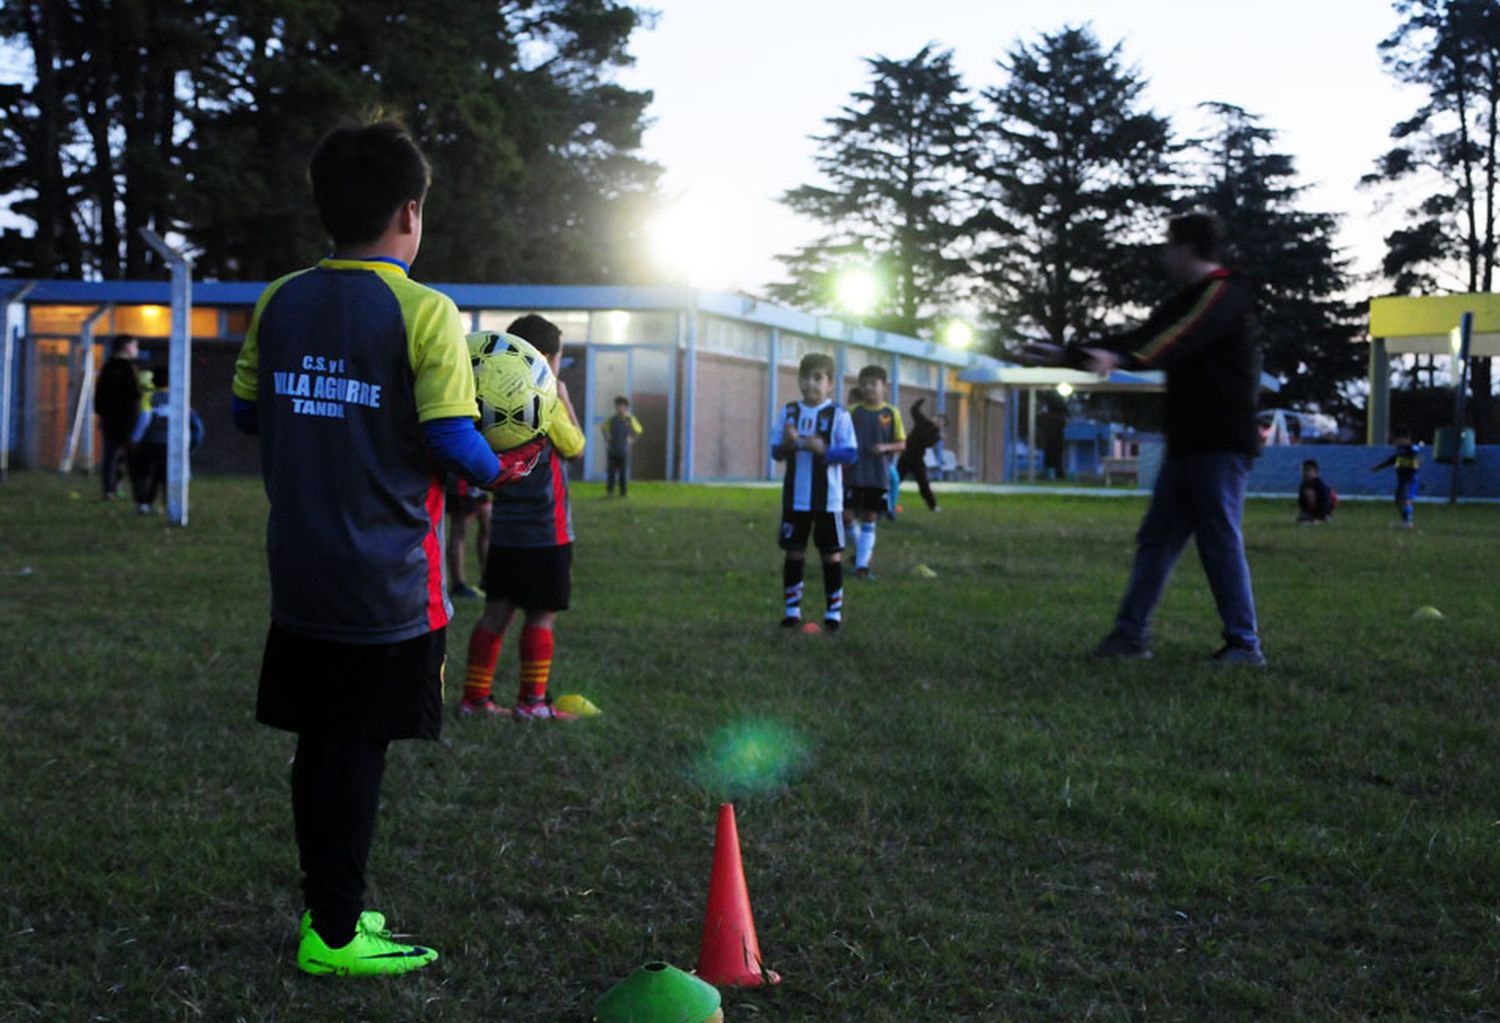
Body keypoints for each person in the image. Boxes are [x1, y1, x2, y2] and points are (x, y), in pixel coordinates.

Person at [230, 119, 543, 978]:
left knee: (320, 739)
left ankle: (328, 905)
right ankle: (334, 933)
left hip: (297, 569)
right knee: (356, 745)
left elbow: (249, 413)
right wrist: (504, 469)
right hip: (384, 579)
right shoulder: (426, 311)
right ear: (410, 213)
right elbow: (452, 441)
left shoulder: (281, 299)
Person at [1030, 212, 1265, 666]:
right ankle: (1129, 636)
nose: (1162, 256)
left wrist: (1119, 357)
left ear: (1185, 248)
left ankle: (1244, 644)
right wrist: (1067, 354)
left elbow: (1167, 343)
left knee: (1219, 540)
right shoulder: (1189, 297)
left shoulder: (1222, 293)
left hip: (1218, 442)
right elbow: (1142, 337)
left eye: (1167, 247)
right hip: (1189, 442)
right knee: (1157, 539)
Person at [459, 314, 587, 720]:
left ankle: (474, 699)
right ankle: (532, 703)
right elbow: (576, 447)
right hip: (547, 531)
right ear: (546, 358)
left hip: (504, 531)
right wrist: (562, 397)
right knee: (542, 615)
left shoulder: (488, 396)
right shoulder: (543, 398)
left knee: (496, 610)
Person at [772, 353, 857, 631]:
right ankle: (791, 611)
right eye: (805, 378)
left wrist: (826, 450)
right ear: (798, 380)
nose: (811, 384)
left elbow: (851, 453)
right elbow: (776, 452)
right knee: (794, 553)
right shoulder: (789, 412)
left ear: (830, 383)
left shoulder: (839, 415)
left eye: (817, 378)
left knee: (830, 555)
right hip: (795, 498)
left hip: (828, 501)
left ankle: (834, 613)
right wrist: (787, 444)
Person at [845, 366, 906, 580]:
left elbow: (901, 443)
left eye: (873, 384)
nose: (868, 388)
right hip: (853, 473)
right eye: (864, 384)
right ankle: (863, 549)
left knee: (870, 517)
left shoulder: (891, 413)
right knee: (846, 517)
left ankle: (862, 567)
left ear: (884, 387)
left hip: (877, 475)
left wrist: (885, 448)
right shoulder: (853, 412)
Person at [127, 364, 204, 514]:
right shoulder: (179, 399)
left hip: (150, 442)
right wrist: (193, 442)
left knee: (145, 474)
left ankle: (144, 503)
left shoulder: (149, 397)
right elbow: (194, 422)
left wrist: (135, 439)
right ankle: (171, 504)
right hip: (170, 444)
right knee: (165, 476)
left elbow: (144, 419)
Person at [93, 334, 142, 500]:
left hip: (109, 420)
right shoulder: (129, 368)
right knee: (132, 456)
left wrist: (103, 414)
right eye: (135, 346)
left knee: (110, 455)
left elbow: (99, 396)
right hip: (127, 421)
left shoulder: (107, 367)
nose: (137, 350)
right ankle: (139, 491)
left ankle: (109, 490)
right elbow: (135, 395)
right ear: (127, 347)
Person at [445, 473, 491, 600]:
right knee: (459, 531)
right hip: (461, 483)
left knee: (487, 523)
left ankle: (487, 580)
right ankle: (458, 585)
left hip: (478, 481)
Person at [896, 398, 945, 513]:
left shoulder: (935, 435)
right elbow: (914, 410)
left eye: (941, 421)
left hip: (917, 459)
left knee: (923, 483)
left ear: (942, 425)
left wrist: (938, 437)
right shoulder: (922, 421)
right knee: (896, 479)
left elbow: (926, 442)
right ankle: (883, 501)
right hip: (906, 456)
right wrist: (921, 400)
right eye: (938, 418)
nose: (938, 420)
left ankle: (933, 506)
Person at [1371, 426, 1422, 528]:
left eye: (1396, 439)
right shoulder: (1400, 449)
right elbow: (1393, 460)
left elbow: (1416, 457)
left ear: (1404, 438)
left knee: (1405, 499)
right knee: (1399, 499)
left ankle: (1408, 521)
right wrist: (1379, 467)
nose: (1395, 442)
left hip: (1410, 479)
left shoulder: (1412, 448)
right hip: (1402, 479)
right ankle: (1404, 520)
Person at [600, 395, 642, 496]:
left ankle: (623, 491)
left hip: (624, 449)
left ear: (626, 407)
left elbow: (639, 431)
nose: (619, 408)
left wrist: (631, 440)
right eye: (618, 406)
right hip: (612, 449)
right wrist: (607, 439)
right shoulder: (612, 419)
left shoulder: (630, 419)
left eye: (622, 406)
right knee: (611, 472)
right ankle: (610, 491)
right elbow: (603, 428)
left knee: (623, 472)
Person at [1296, 459, 1335, 523]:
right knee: (1301, 518)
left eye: (1307, 470)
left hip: (1322, 510)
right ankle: (1311, 517)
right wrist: (1304, 510)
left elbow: (1326, 501)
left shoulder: (1320, 485)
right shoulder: (1303, 485)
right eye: (1303, 470)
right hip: (1311, 511)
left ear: (1315, 472)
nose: (1304, 473)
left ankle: (1325, 517)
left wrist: (1324, 513)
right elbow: (1301, 500)